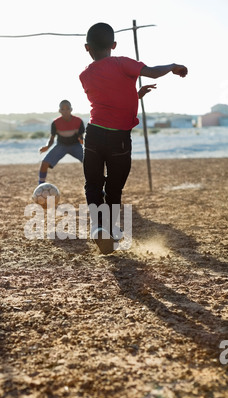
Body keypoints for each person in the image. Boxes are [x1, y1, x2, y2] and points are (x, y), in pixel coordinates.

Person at [79, 22, 188, 254]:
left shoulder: (84, 75)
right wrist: (172, 66)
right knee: (114, 188)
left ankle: (99, 227)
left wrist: (135, 95)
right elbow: (152, 71)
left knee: (93, 185)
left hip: (94, 134)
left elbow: (108, 98)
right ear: (114, 45)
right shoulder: (121, 62)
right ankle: (108, 228)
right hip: (119, 138)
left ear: (87, 48)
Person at [38, 100, 85, 184]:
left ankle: (95, 185)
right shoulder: (55, 123)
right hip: (61, 146)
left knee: (90, 162)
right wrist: (47, 147)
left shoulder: (78, 121)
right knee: (44, 163)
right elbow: (52, 138)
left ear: (71, 109)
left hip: (75, 146)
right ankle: (40, 185)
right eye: (63, 109)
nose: (65, 111)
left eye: (67, 108)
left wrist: (82, 141)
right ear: (59, 111)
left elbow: (81, 138)